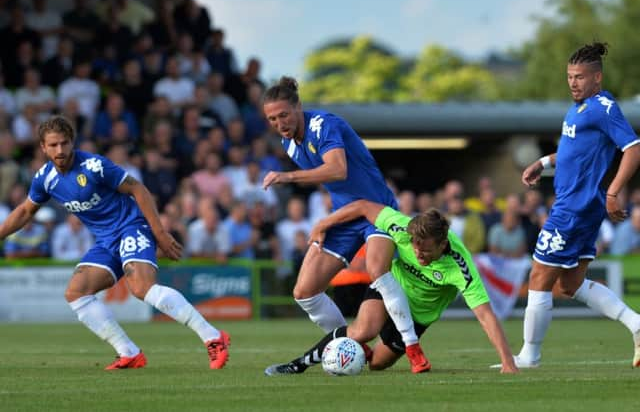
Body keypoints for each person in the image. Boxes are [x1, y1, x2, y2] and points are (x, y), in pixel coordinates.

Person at [0, 116, 230, 370]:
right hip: (106, 240)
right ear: (43, 147)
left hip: (132, 226)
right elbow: (24, 212)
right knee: (76, 293)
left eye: (65, 143)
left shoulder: (95, 166)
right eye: (53, 145)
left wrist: (160, 234)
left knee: (141, 288)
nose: (60, 150)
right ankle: (129, 352)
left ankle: (213, 337)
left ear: (72, 142)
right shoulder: (44, 179)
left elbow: (138, 190)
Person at [262, 76, 429, 373]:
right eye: (272, 119)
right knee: (305, 291)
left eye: (284, 115)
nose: (279, 123)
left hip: (377, 211)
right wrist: (329, 220)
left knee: (376, 270)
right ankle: (353, 346)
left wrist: (287, 177)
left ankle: (413, 347)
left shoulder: (323, 125)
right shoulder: (288, 143)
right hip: (346, 215)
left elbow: (338, 170)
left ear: (298, 106)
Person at [264, 201, 518, 375]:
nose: (418, 253)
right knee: (363, 330)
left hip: (418, 314)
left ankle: (357, 353)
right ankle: (298, 365)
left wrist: (508, 362)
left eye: (426, 250)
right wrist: (324, 223)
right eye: (415, 247)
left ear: (442, 245)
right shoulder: (402, 227)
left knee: (375, 364)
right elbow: (363, 206)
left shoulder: (461, 267)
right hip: (390, 288)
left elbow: (485, 315)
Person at [513, 42, 640, 368]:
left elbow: (633, 149)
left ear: (597, 77)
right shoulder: (581, 108)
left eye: (580, 77)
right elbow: (573, 153)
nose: (573, 82)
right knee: (569, 284)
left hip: (573, 209)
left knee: (539, 276)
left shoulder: (602, 107)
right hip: (581, 208)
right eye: (570, 76)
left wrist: (613, 192)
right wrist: (544, 162)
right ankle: (637, 325)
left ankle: (530, 356)